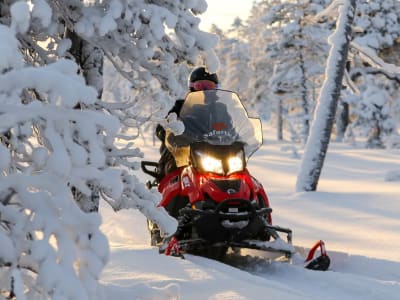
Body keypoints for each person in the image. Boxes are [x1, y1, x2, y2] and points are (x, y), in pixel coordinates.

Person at [155, 67, 219, 182]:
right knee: (174, 172)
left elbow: (232, 127)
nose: (204, 90)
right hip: (181, 156)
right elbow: (162, 127)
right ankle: (171, 194)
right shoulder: (180, 107)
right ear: (192, 87)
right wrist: (171, 131)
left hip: (213, 156)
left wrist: (237, 136)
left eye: (209, 86)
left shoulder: (220, 110)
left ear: (215, 89)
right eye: (200, 86)